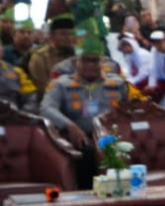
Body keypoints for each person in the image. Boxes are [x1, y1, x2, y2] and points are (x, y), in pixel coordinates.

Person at [40, 35, 129, 188]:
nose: (90, 65)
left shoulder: (118, 83)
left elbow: (133, 108)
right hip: (80, 137)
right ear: (76, 61)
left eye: (94, 61)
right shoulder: (61, 84)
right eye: (85, 60)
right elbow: (46, 109)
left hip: (114, 135)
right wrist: (70, 126)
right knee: (86, 153)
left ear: (102, 62)